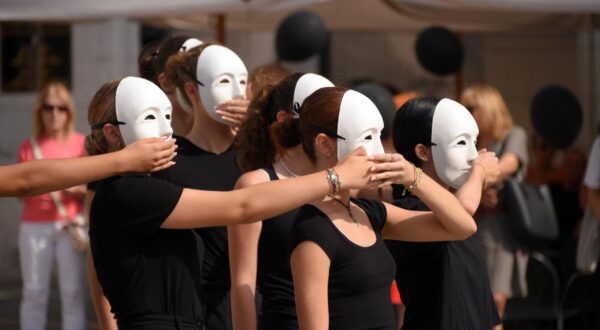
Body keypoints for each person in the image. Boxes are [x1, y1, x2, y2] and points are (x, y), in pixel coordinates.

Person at [86, 76, 384, 329]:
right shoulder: (126, 193)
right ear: (113, 133)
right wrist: (335, 177)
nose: (167, 130)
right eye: (150, 117)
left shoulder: (141, 189)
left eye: (167, 117)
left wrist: (411, 180)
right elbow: (241, 206)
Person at [288, 87, 477, 330]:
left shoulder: (369, 213)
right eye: (367, 138)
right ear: (324, 145)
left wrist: (413, 176)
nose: (379, 152)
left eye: (379, 137)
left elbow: (462, 227)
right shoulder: (313, 229)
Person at [229, 72, 333, 330]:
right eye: (319, 115)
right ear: (285, 119)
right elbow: (243, 283)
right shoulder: (255, 184)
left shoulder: (342, 183)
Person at [386, 96, 501, 330]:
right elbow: (460, 212)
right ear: (423, 152)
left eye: (474, 143)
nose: (473, 155)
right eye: (461, 143)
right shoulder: (409, 209)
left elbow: (484, 306)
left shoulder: (459, 215)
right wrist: (478, 174)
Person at [158, 42, 251, 329]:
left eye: (244, 82)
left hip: (258, 306)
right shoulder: (168, 161)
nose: (238, 93)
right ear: (191, 91)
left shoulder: (257, 158)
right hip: (196, 314)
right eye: (224, 82)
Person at [460, 83, 529, 329]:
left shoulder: (513, 135)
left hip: (501, 229)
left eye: (471, 107)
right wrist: (477, 185)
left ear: (489, 108)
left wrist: (474, 180)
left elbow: (508, 165)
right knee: (477, 299)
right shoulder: (469, 141)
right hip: (473, 224)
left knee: (494, 300)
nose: (467, 112)